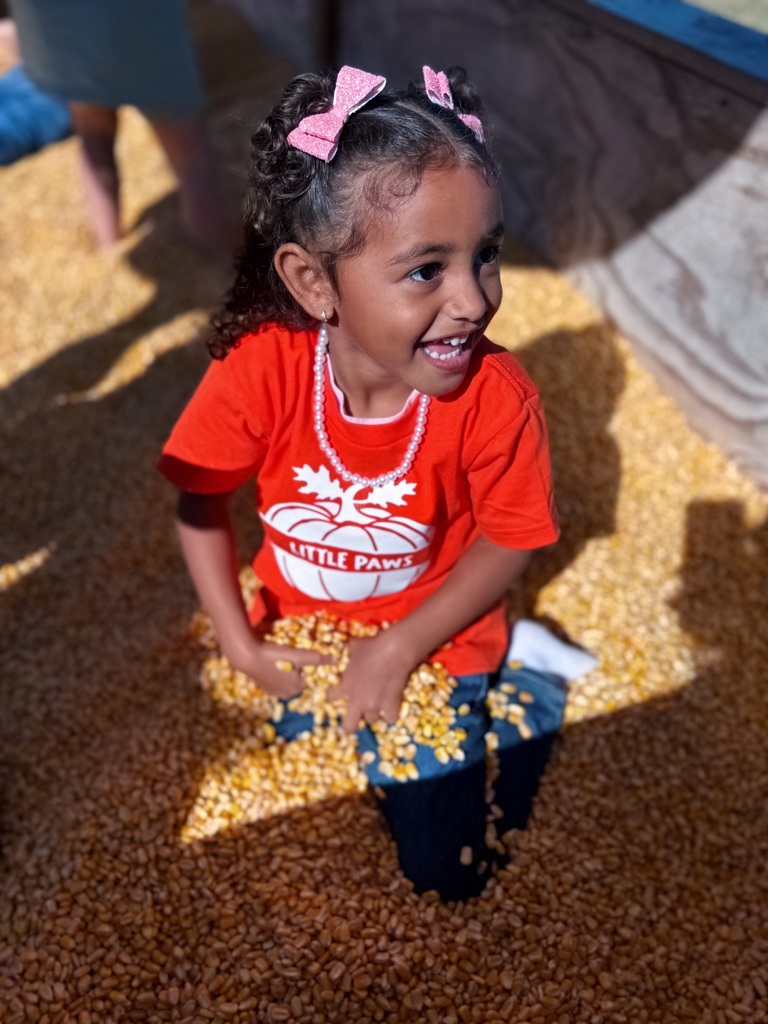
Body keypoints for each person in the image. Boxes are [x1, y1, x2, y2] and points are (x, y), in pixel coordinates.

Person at [158, 64, 564, 901]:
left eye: (486, 255)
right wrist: (239, 641)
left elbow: (511, 535)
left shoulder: (497, 398)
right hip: (301, 628)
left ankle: (534, 683)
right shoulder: (263, 367)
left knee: (444, 872)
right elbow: (199, 499)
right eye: (427, 270)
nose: (473, 299)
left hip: (431, 635)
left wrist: (399, 646)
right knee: (268, 785)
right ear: (314, 283)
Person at [8, 0, 227, 254]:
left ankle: (107, 246)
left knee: (93, 135)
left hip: (58, 31)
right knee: (192, 158)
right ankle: (216, 258)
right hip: (133, 24)